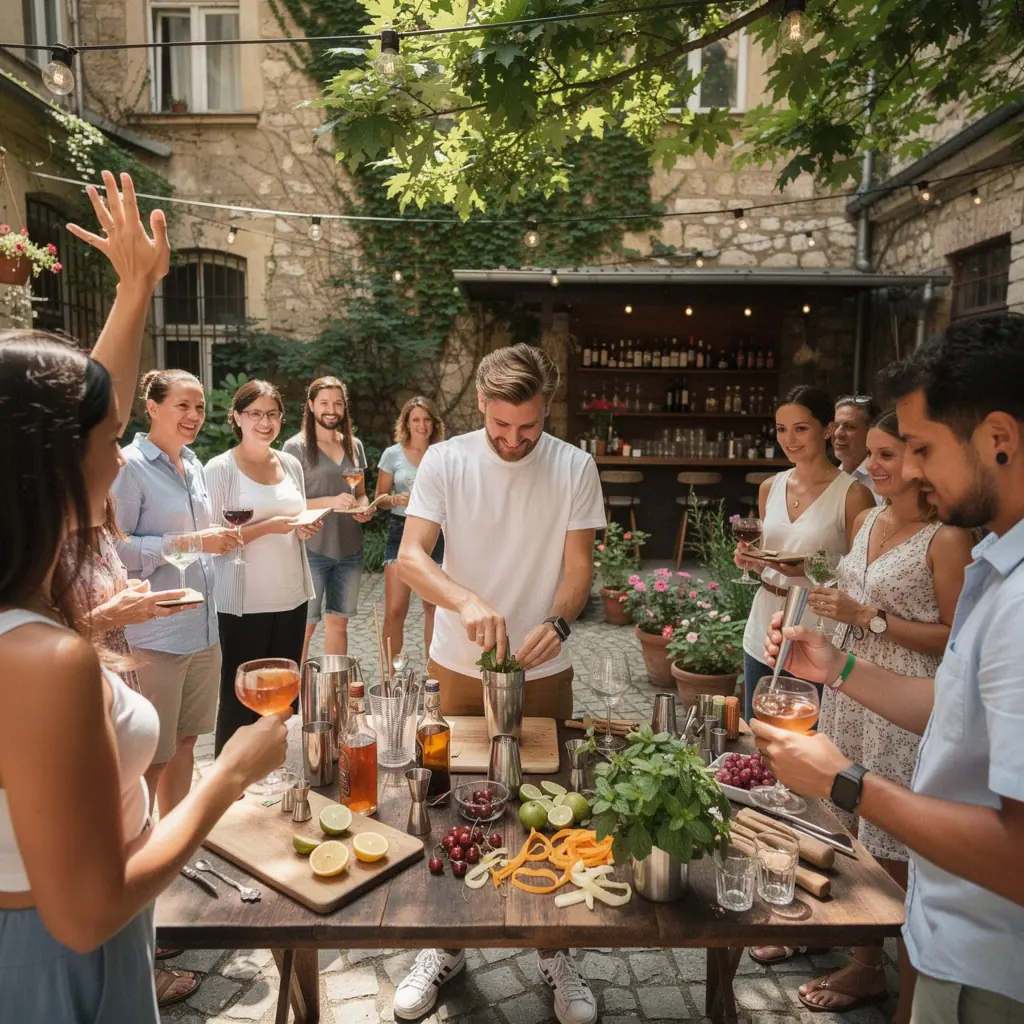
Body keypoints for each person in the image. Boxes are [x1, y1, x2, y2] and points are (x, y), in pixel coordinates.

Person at [0, 171, 287, 1022]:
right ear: (49, 464)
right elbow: (85, 909)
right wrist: (228, 780)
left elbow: (94, 399)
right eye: (105, 439)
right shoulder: (42, 654)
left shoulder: (33, 600)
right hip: (62, 960)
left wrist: (135, 292)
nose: (123, 454)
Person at [755, 313, 1024, 1024]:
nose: (907, 470)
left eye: (923, 448)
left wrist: (845, 783)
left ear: (1000, 440)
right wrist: (837, 665)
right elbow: (952, 708)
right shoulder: (1002, 565)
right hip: (951, 948)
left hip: (990, 970)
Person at [392, 343, 607, 1024]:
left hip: (542, 666)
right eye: (501, 427)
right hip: (457, 662)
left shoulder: (574, 465)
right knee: (453, 807)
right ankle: (445, 945)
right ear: (481, 404)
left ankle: (555, 952)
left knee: (546, 809)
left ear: (547, 409)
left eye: (530, 428)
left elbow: (578, 569)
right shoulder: (447, 460)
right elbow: (410, 556)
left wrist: (560, 619)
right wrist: (464, 602)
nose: (514, 441)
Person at [790, 410, 972, 1019]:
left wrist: (867, 619)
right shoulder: (867, 520)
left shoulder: (946, 538)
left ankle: (904, 980)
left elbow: (955, 638)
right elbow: (851, 598)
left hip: (907, 699)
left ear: (920, 462)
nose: (870, 465)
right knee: (851, 828)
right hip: (853, 690)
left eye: (888, 454)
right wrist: (818, 599)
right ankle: (864, 962)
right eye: (870, 453)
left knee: (896, 843)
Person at [113, 367, 240, 821]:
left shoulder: (195, 464)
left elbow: (196, 536)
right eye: (182, 405)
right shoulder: (128, 468)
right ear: (152, 407)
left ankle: (176, 838)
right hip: (157, 636)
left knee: (187, 741)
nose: (193, 415)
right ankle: (142, 845)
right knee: (154, 753)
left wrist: (213, 538)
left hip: (204, 630)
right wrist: (188, 543)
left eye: (200, 406)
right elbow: (116, 546)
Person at [734, 386, 876, 725]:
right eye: (782, 429)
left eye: (801, 428)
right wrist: (750, 560)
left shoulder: (854, 495)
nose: (789, 439)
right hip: (764, 624)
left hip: (818, 631)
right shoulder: (770, 487)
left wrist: (806, 566)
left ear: (827, 429)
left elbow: (865, 576)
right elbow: (764, 556)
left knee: (808, 736)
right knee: (761, 730)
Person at [205, 380, 322, 754]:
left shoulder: (290, 463)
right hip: (243, 603)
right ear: (237, 417)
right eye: (255, 413)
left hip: (290, 596)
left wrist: (306, 528)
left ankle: (275, 772)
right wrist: (268, 527)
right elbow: (214, 539)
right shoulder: (220, 468)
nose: (264, 422)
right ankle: (231, 785)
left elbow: (296, 522)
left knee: (283, 696)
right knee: (239, 697)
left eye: (272, 414)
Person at [282, 377, 369, 665]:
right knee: (304, 627)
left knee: (339, 623)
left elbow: (361, 494)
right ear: (310, 406)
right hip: (312, 550)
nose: (331, 409)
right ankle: (293, 696)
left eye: (337, 403)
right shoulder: (295, 448)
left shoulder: (354, 445)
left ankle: (336, 690)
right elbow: (287, 503)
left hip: (350, 549)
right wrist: (331, 501)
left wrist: (365, 509)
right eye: (324, 403)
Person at [75, 495, 190, 694]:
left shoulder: (100, 529)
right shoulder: (45, 545)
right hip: (77, 675)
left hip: (116, 667)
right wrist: (110, 615)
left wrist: (134, 597)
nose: (120, 462)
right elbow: (34, 638)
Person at [372, 396, 446, 661]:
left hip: (437, 531)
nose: (422, 425)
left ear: (434, 423)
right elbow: (379, 499)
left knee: (433, 606)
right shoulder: (392, 454)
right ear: (406, 422)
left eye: (427, 419)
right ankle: (391, 674)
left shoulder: (443, 452)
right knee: (395, 610)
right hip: (400, 530)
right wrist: (396, 499)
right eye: (416, 419)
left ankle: (434, 672)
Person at [833, 393, 883, 502]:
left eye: (850, 426)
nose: (838, 433)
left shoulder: (882, 479)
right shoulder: (829, 478)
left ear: (870, 432)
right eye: (836, 426)